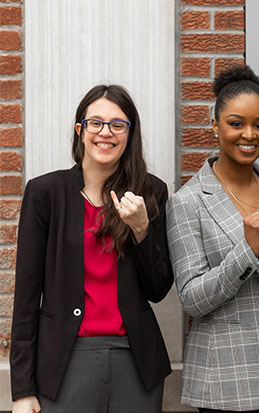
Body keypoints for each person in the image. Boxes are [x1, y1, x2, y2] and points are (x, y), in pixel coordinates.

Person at [10, 85, 173, 413]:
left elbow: (158, 289)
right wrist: (22, 390)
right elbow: (26, 299)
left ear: (130, 134)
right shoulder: (46, 193)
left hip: (136, 360)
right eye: (95, 123)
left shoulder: (150, 192)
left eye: (117, 125)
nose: (106, 133)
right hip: (65, 361)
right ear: (80, 130)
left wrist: (141, 230)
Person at [166, 65, 259, 413]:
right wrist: (247, 250)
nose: (249, 134)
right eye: (236, 123)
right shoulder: (188, 202)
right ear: (215, 125)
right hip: (227, 371)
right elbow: (191, 300)